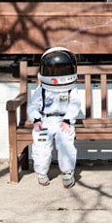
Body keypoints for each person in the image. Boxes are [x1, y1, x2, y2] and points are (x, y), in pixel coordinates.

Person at [27, 46, 82, 188]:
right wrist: (36, 119)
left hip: (64, 120)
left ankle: (67, 173)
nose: (57, 74)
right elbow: (33, 106)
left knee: (66, 144)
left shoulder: (71, 88)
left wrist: (68, 119)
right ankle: (41, 172)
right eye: (53, 70)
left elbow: (75, 104)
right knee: (41, 145)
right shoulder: (42, 89)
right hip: (45, 120)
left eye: (61, 69)